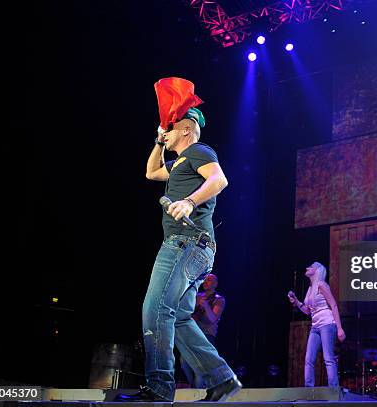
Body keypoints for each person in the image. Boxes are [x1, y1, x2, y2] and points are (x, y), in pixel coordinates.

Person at [116, 78, 241, 402]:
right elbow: (151, 172)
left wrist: (190, 201)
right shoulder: (180, 162)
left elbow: (219, 179)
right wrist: (159, 142)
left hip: (185, 243)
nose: (165, 133)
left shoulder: (199, 151)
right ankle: (222, 379)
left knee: (155, 309)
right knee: (180, 316)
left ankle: (159, 387)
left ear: (185, 129)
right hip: (197, 248)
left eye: (169, 130)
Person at [288, 262, 346, 387]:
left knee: (328, 358)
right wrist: (297, 302)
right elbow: (308, 311)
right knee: (309, 359)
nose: (307, 267)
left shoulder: (322, 285)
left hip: (327, 324)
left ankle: (333, 389)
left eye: (310, 266)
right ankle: (309, 389)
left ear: (317, 270)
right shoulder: (310, 289)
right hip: (315, 326)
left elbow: (334, 305)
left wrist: (340, 328)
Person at [181, 274, 225, 388]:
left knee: (199, 367)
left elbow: (212, 319)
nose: (205, 282)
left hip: (206, 336)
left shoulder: (218, 299)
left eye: (209, 280)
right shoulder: (197, 296)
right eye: (205, 280)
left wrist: (205, 305)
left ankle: (198, 390)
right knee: (184, 361)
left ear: (215, 284)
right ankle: (194, 386)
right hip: (193, 334)